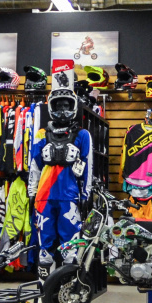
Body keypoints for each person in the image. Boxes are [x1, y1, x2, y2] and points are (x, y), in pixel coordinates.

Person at [28, 87, 92, 277]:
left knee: (70, 245)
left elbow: (87, 166)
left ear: (73, 107)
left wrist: (85, 194)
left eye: (66, 105)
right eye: (58, 106)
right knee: (44, 245)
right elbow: (34, 165)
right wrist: (32, 191)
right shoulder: (41, 134)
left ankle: (68, 284)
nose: (62, 110)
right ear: (51, 107)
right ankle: (45, 287)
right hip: (44, 197)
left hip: (69, 196)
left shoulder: (82, 135)